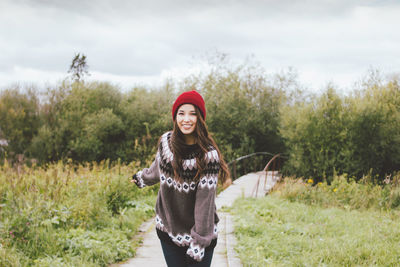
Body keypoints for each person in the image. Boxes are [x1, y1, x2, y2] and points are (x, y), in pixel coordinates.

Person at [131, 90, 230, 267]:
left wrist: (198, 243)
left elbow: (204, 203)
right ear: (175, 116)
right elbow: (157, 170)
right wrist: (142, 178)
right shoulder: (166, 142)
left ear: (200, 118)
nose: (186, 119)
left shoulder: (208, 156)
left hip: (201, 234)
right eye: (181, 113)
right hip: (168, 227)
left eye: (193, 114)